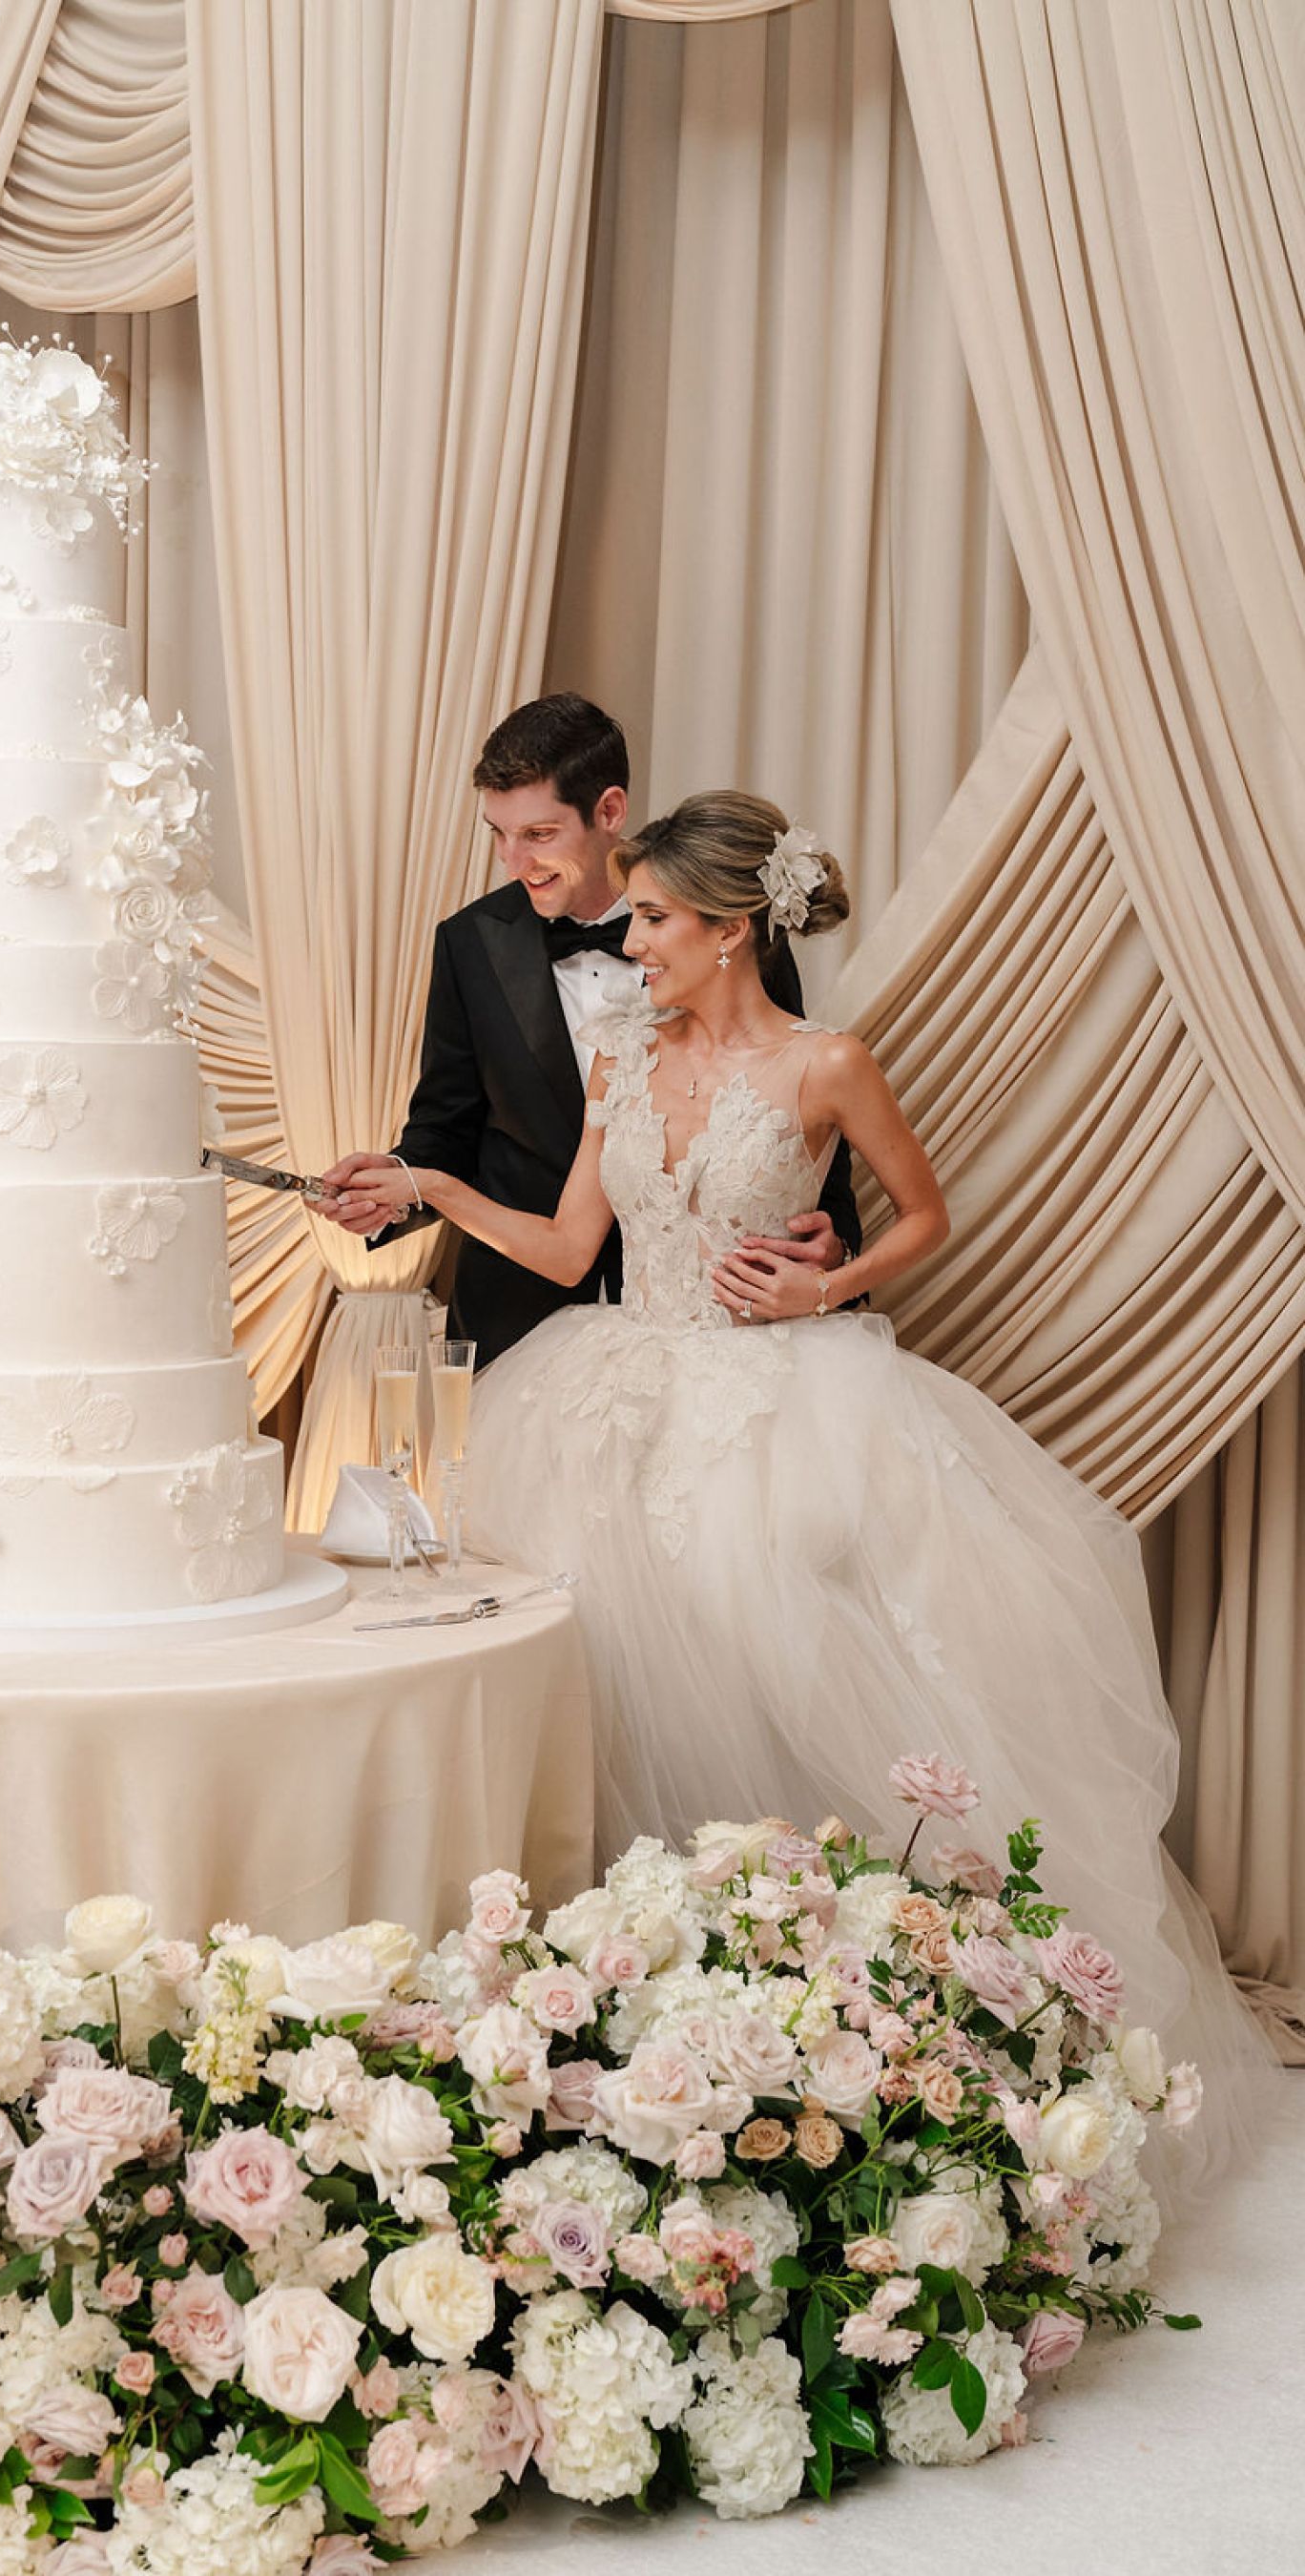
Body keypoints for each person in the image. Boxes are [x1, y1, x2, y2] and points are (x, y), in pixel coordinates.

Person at [339, 789, 1265, 2161]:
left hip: (772, 1406)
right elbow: (563, 1244)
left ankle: (812, 2044)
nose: (629, 935)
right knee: (591, 1676)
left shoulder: (828, 1063)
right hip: (608, 1391)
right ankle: (620, 2038)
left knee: (767, 1667)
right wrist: (432, 1190)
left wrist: (825, 1287)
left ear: (724, 931)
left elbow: (927, 1214)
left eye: (650, 916)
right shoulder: (618, 1054)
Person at [320, 695, 860, 1364]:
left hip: (726, 1332)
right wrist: (395, 1189)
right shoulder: (469, 943)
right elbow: (445, 1126)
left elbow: (792, 1105)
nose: (513, 862)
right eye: (498, 833)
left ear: (608, 812)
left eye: (539, 835)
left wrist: (834, 1242)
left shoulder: (723, 925)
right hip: (523, 1318)